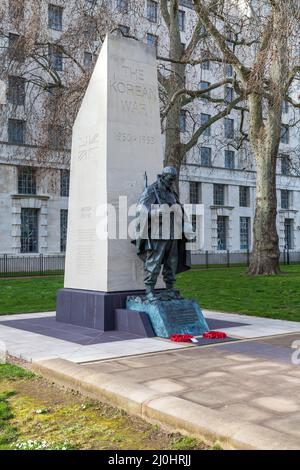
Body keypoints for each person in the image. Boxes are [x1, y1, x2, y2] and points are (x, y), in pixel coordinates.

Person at [133, 166, 192, 301]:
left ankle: (170, 289)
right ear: (163, 177)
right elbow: (140, 211)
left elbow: (179, 209)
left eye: (173, 180)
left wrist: (185, 224)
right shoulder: (152, 190)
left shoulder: (172, 192)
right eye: (170, 179)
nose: (172, 182)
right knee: (153, 263)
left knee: (172, 263)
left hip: (174, 233)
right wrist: (153, 213)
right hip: (158, 234)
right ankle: (149, 291)